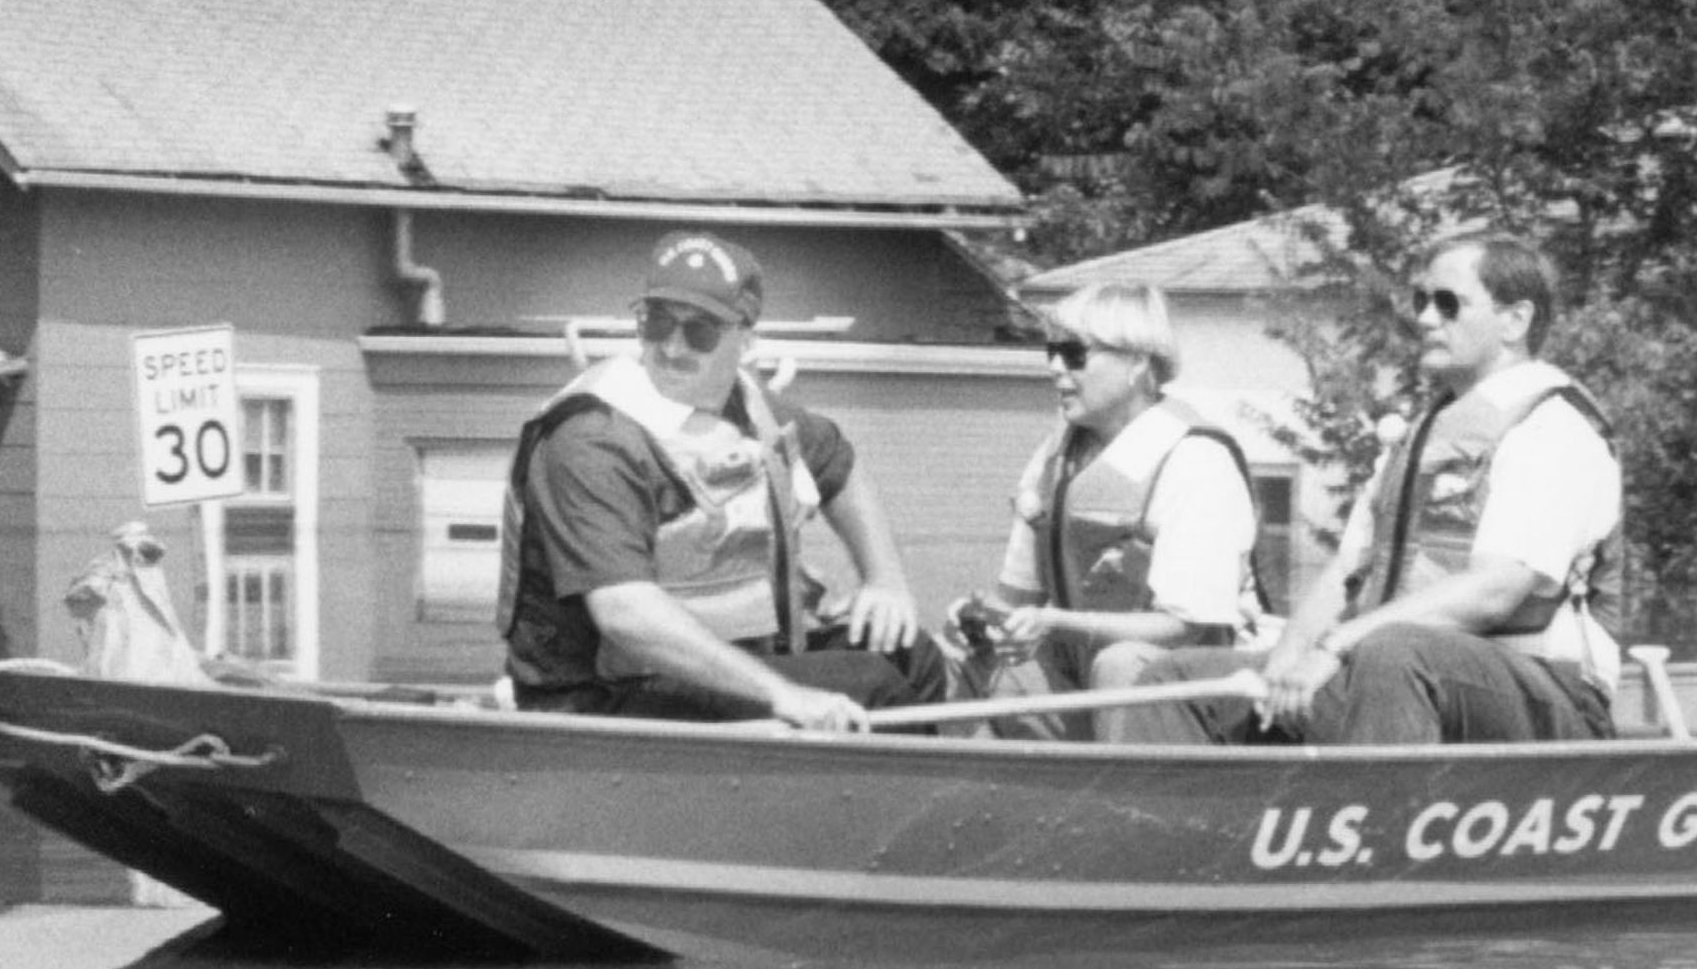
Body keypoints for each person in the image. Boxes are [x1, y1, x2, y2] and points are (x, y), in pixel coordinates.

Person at [499, 230, 950, 729]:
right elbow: (624, 612)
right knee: (874, 685)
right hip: (602, 696)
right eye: (657, 321)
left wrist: (884, 580)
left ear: (746, 340)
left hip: (707, 668)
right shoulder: (594, 437)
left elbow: (839, 465)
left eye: (701, 331)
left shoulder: (751, 409)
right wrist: (786, 696)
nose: (671, 347)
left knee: (912, 654)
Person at [1253, 231, 1623, 746]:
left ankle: (1381, 822)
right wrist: (1283, 663)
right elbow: (1347, 572)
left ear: (1515, 320)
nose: (1425, 319)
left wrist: (1336, 646)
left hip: (1548, 691)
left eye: (1448, 304)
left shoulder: (1553, 429)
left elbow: (1495, 592)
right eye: (1421, 301)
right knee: (1185, 681)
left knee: (1394, 653)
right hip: (1404, 673)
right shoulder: (1422, 433)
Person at [982, 284, 1266, 746]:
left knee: (1122, 665)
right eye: (1051, 351)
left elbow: (1186, 627)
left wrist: (1056, 623)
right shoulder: (1055, 458)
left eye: (1074, 354)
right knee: (998, 670)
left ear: (1137, 362)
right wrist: (983, 621)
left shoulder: (1195, 459)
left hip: (1202, 684)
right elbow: (1015, 598)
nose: (1055, 368)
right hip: (1082, 662)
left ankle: (1133, 805)